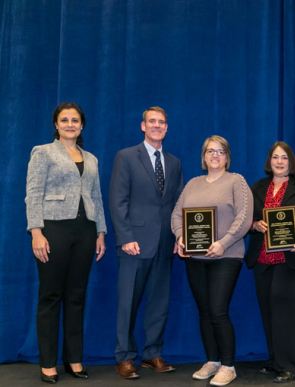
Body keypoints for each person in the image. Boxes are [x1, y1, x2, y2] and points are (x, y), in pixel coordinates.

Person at [25, 102, 107, 383]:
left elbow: (97, 198)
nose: (70, 124)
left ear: (82, 125)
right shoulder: (43, 153)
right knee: (50, 296)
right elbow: (33, 194)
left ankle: (74, 359)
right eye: (64, 120)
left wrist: (101, 233)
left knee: (76, 296)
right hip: (54, 229)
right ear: (56, 125)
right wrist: (36, 231)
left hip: (85, 231)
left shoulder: (92, 159)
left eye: (75, 120)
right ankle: (48, 363)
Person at [172, 135, 252, 386]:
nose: (214, 155)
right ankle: (212, 361)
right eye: (209, 151)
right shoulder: (193, 184)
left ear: (227, 157)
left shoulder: (236, 181)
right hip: (195, 258)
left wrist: (223, 243)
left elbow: (244, 217)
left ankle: (228, 365)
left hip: (226, 256)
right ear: (203, 156)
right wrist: (181, 236)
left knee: (218, 310)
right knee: (205, 312)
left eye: (220, 151)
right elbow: (176, 215)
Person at [109, 107, 183, 379]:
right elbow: (118, 201)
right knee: (127, 302)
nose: (157, 126)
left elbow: (178, 205)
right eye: (152, 121)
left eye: (162, 122)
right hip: (134, 244)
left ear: (167, 127)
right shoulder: (126, 157)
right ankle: (125, 357)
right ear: (143, 126)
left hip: (165, 245)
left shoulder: (173, 162)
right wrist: (125, 238)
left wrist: (179, 236)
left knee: (159, 303)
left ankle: (152, 354)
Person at [245, 142, 295, 383]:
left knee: (287, 309)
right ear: (269, 161)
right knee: (269, 309)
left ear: (291, 162)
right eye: (275, 158)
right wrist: (254, 225)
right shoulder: (257, 187)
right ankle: (276, 360)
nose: (279, 162)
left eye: (284, 158)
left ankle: (290, 365)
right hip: (263, 258)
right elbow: (245, 218)